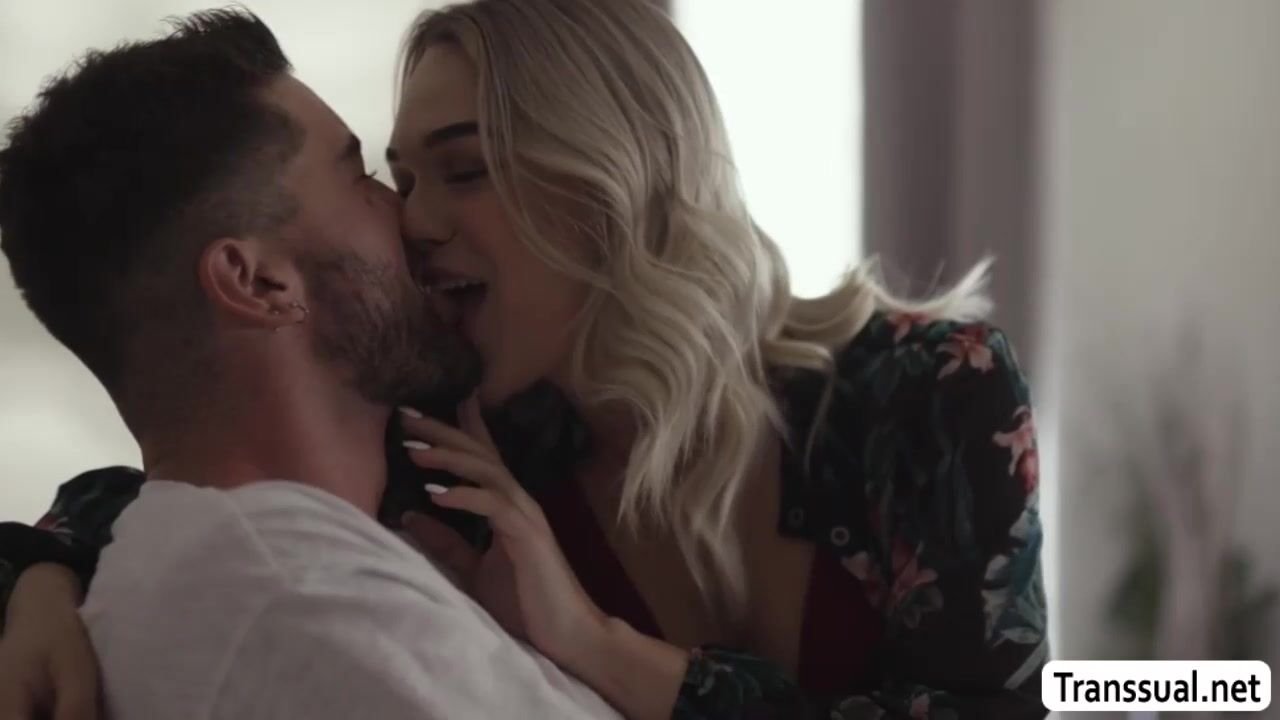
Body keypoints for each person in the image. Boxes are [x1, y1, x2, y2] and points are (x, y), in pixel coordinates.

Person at [0, 1, 1049, 718]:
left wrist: (594, 645)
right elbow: (194, 492)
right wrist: (32, 577)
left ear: (620, 179)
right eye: (400, 179)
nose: (414, 224)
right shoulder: (461, 450)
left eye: (464, 171)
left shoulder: (925, 393)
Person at [0, 9, 620, 720]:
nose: (411, 218)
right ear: (259, 284)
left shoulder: (240, 562)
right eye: (364, 177)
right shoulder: (308, 607)